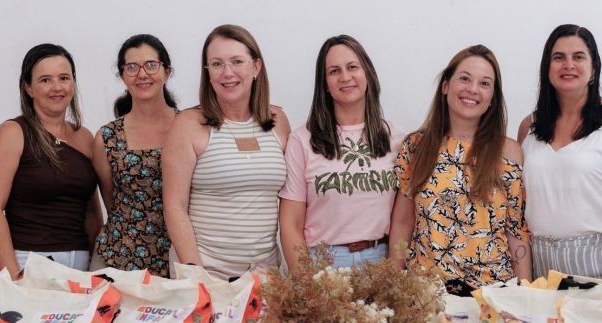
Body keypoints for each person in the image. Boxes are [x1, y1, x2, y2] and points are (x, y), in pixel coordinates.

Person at [389, 44, 531, 290]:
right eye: (464, 78)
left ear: (492, 99)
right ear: (446, 86)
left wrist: (526, 296)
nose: (473, 89)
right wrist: (392, 287)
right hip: (427, 296)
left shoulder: (508, 152)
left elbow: (516, 232)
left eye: (485, 83)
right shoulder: (415, 147)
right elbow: (401, 223)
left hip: (493, 295)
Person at [517, 24, 602, 281]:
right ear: (547, 68)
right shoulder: (528, 127)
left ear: (593, 68)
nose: (568, 64)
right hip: (540, 271)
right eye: (559, 57)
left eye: (578, 57)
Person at [162, 24, 291, 279]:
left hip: (266, 276)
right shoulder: (188, 125)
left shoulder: (278, 121)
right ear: (207, 72)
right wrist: (196, 275)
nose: (227, 72)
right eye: (217, 64)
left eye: (237, 61)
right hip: (206, 274)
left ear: (256, 67)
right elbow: (174, 206)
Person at [278, 35, 403, 269]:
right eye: (334, 71)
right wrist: (306, 284)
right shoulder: (302, 140)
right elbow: (290, 223)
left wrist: (395, 272)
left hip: (380, 261)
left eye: (352, 67)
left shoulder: (395, 139)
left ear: (368, 74)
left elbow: (403, 219)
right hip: (323, 263)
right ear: (324, 82)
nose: (345, 77)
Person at [0, 43, 100, 277]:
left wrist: (95, 265)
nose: (57, 87)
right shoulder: (12, 133)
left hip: (81, 263)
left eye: (64, 78)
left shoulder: (85, 137)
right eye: (45, 80)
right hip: (28, 262)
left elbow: (93, 212)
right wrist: (14, 275)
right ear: (28, 87)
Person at [91, 34, 179, 277]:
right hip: (118, 259)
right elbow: (112, 203)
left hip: (180, 259)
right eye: (132, 67)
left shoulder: (189, 127)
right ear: (122, 76)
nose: (142, 74)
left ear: (167, 72)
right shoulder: (107, 137)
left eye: (151, 65)